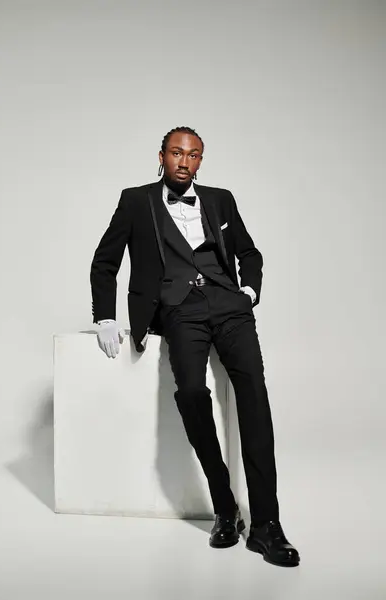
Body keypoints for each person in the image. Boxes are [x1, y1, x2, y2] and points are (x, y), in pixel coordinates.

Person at [90, 126, 300, 567]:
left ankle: (266, 525)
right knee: (190, 393)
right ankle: (225, 508)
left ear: (201, 160)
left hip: (230, 306)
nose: (185, 162)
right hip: (178, 311)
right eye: (177, 153)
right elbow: (105, 262)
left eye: (194, 155)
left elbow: (250, 252)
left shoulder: (221, 199)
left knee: (255, 403)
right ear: (162, 156)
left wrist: (250, 291)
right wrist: (105, 317)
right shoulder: (136, 200)